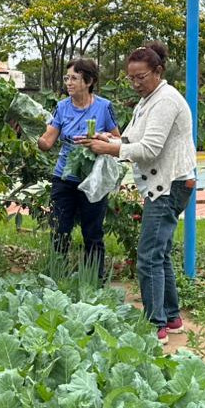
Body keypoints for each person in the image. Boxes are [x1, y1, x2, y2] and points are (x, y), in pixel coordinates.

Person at [78, 42, 196, 346]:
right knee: (160, 254)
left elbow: (150, 148)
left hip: (169, 185)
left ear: (158, 72)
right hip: (165, 184)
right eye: (131, 78)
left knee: (148, 257)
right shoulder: (148, 100)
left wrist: (111, 149)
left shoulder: (166, 100)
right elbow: (132, 136)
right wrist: (104, 138)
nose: (135, 84)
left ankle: (155, 326)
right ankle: (171, 317)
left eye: (140, 77)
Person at [36, 58, 121, 278]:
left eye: (74, 78)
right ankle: (57, 278)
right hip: (64, 178)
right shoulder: (62, 107)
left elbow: (118, 140)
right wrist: (31, 130)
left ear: (89, 81)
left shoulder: (104, 107)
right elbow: (47, 142)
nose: (68, 82)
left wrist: (99, 139)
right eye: (67, 78)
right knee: (59, 231)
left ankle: (94, 281)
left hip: (93, 179)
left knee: (92, 232)